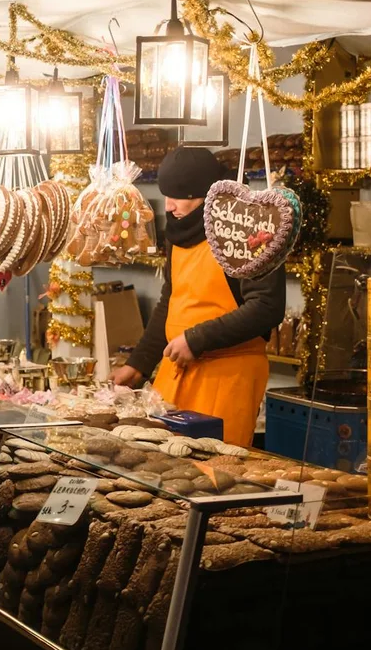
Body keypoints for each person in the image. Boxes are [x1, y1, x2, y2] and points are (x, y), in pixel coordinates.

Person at [110, 148, 285, 447]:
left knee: (214, 468)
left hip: (229, 375)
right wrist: (139, 363)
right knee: (160, 462)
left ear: (205, 194)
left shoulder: (248, 232)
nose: (169, 206)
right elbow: (171, 299)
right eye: (166, 195)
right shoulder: (177, 234)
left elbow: (266, 308)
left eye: (179, 196)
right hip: (176, 370)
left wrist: (197, 339)